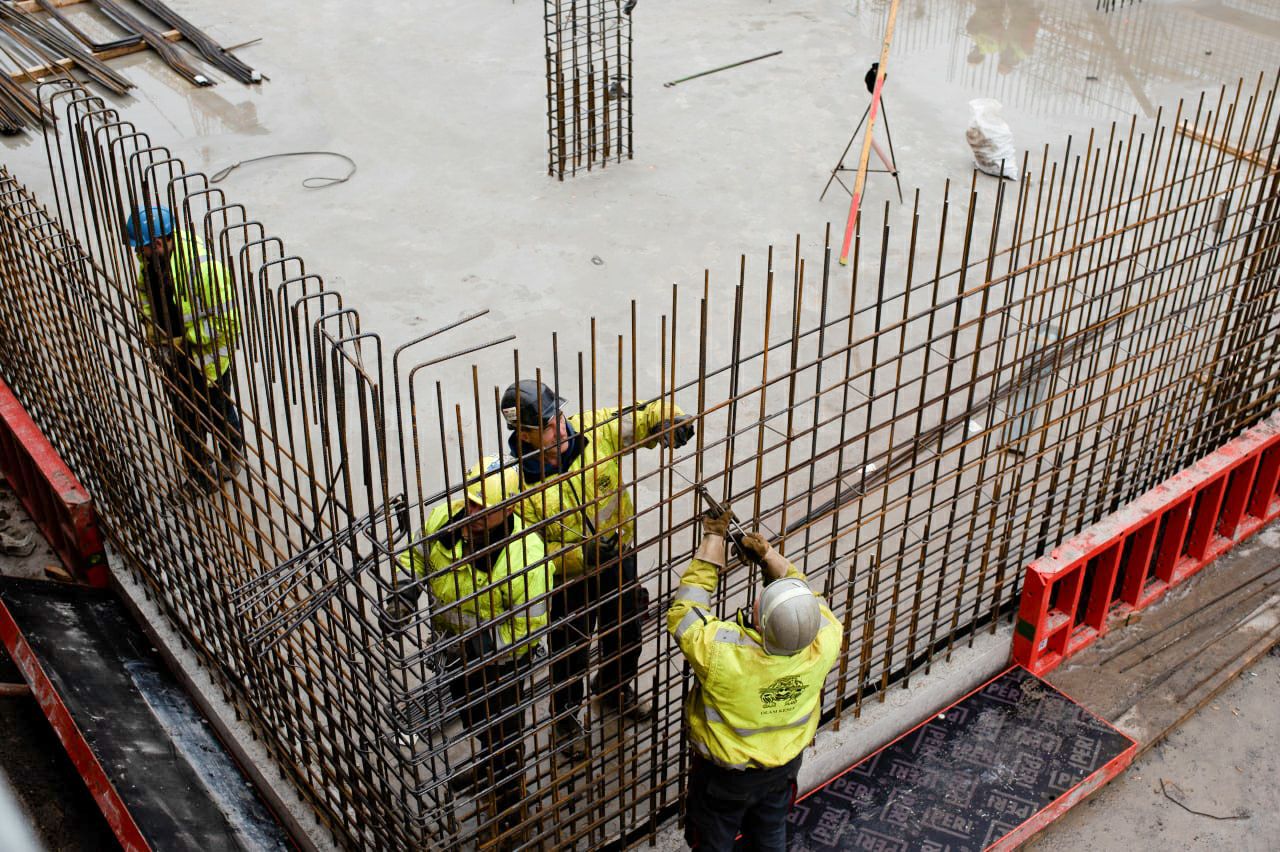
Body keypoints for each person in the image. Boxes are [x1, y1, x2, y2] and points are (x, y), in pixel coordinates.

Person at [499, 379, 693, 760]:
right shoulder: (516, 485)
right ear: (523, 434)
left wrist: (670, 421)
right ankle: (567, 718)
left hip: (619, 557)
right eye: (548, 427)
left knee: (626, 629)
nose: (561, 430)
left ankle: (613, 687)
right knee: (569, 649)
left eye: (558, 418)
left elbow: (642, 414)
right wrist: (581, 556)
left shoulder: (593, 431)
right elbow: (530, 551)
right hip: (568, 581)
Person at [389, 458, 552, 841]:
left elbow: (528, 630)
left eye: (485, 508)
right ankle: (486, 763)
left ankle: (512, 802)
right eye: (471, 503)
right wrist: (405, 590)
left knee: (505, 731)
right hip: (453, 653)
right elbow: (416, 556)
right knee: (472, 716)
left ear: (509, 508)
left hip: (502, 665)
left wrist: (483, 645)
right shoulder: (445, 520)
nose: (473, 514)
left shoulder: (526, 557)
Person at [668, 507, 843, 852]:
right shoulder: (826, 641)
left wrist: (713, 540)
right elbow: (806, 599)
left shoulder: (726, 656)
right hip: (783, 768)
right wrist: (769, 557)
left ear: (759, 623)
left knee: (712, 842)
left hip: (724, 779)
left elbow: (685, 612)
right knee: (769, 835)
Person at [125, 205, 243, 495]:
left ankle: (231, 455)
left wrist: (188, 339)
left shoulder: (202, 269)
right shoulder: (151, 262)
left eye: (144, 249)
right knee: (184, 417)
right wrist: (157, 339)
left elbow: (229, 323)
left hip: (207, 360)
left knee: (217, 411)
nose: (140, 255)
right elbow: (146, 296)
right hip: (173, 357)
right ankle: (199, 476)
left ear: (159, 242)